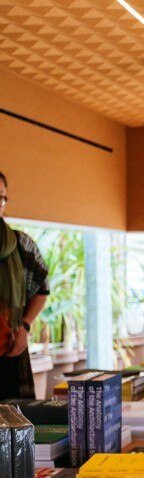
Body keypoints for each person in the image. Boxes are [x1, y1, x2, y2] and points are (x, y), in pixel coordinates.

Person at [0, 171, 49, 400]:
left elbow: (42, 288)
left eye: (1, 197)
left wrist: (26, 326)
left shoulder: (21, 245)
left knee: (15, 426)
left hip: (10, 354)